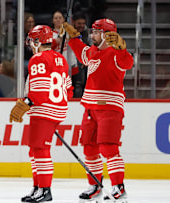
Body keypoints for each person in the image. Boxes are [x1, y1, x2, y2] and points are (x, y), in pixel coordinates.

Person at [63, 18, 133, 201]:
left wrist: (121, 46)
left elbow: (128, 62)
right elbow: (82, 52)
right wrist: (73, 38)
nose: (92, 35)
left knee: (108, 148)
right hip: (90, 108)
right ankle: (94, 185)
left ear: (106, 34)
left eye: (95, 32)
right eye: (92, 32)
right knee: (89, 147)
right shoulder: (93, 51)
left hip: (110, 108)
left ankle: (119, 187)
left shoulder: (116, 53)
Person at [9, 25, 73, 202]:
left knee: (41, 149)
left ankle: (45, 190)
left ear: (38, 41)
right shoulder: (60, 59)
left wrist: (25, 104)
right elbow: (69, 89)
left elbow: (39, 92)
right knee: (35, 149)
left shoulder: (38, 59)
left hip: (43, 110)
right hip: (56, 109)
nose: (29, 44)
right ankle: (37, 187)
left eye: (31, 40)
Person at [71, 11, 90, 98]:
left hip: (83, 61)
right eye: (79, 23)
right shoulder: (69, 32)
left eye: (83, 23)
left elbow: (90, 48)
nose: (81, 26)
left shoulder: (87, 33)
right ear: (73, 22)